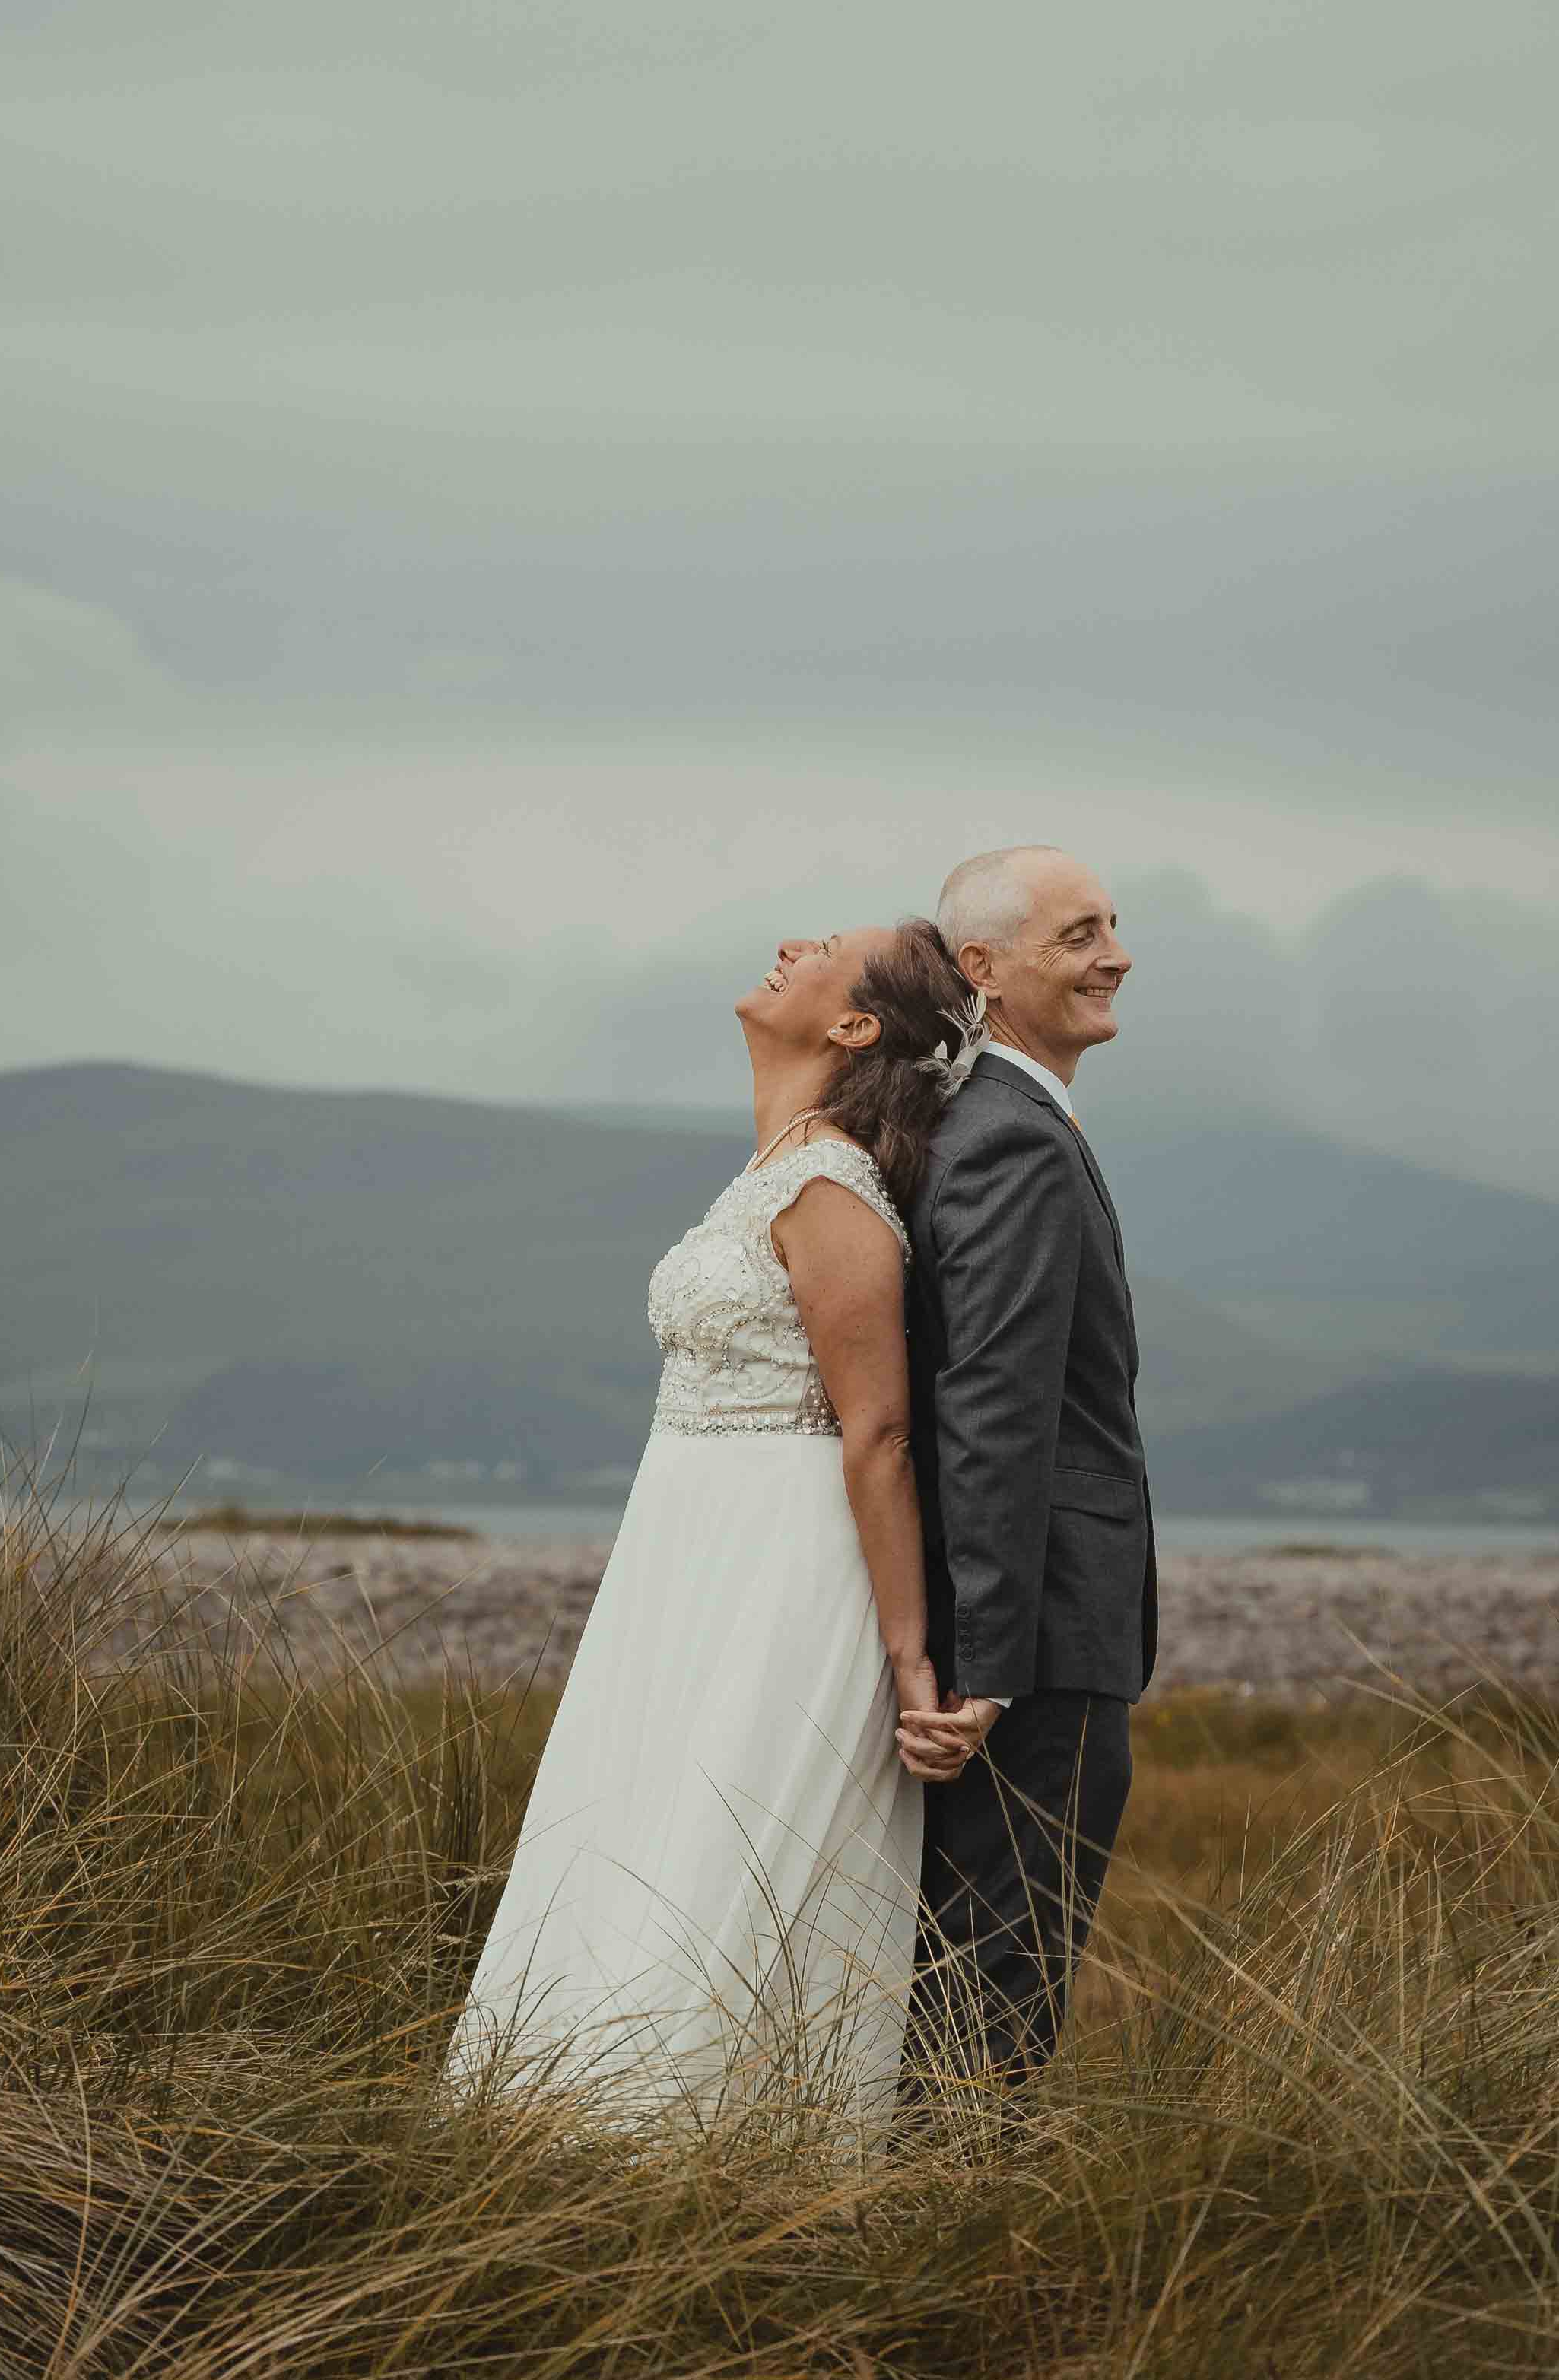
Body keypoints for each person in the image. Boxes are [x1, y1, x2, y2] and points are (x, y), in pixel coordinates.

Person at [451, 915, 991, 2129]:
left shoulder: (831, 1185)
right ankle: (567, 2126)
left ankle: (692, 2145)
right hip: (683, 1556)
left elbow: (882, 1434)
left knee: (721, 1851)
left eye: (829, 945)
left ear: (854, 1025)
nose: (792, 939)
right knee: (635, 1828)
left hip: (782, 1570)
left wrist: (911, 1658)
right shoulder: (770, 1166)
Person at [897, 845, 1156, 2085]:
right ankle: (954, 2244)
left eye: (1112, 925)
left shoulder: (988, 1122)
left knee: (971, 1970)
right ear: (984, 970)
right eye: (1079, 934)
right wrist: (995, 1664)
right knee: (1001, 1983)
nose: (1114, 953)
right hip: (1037, 1647)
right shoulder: (1012, 1143)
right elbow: (993, 1407)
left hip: (1027, 1632)